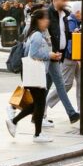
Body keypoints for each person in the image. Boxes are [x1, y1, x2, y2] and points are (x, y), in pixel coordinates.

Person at [6, 8, 61, 143]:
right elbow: (33, 54)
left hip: (32, 72)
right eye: (45, 19)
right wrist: (50, 55)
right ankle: (30, 130)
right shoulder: (37, 35)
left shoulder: (34, 34)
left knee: (38, 103)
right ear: (39, 20)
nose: (47, 21)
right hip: (35, 73)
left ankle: (24, 126)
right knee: (39, 103)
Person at [45, 0, 79, 125]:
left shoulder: (65, 14)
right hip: (50, 56)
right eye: (63, 0)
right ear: (55, 0)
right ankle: (72, 113)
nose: (66, 3)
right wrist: (49, 52)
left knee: (45, 87)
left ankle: (38, 115)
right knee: (61, 84)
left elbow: (64, 34)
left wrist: (73, 34)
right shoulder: (46, 14)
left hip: (59, 55)